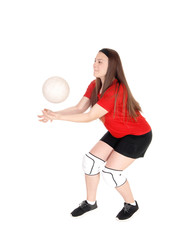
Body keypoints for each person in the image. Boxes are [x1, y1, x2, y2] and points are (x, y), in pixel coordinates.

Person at [38, 48, 152, 220]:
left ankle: (131, 204)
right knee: (90, 162)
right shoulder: (95, 85)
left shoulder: (116, 89)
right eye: (94, 60)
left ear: (112, 65)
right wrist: (55, 114)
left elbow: (89, 116)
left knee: (111, 173)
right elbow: (79, 108)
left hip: (138, 135)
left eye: (100, 61)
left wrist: (59, 117)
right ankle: (91, 203)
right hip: (117, 132)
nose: (95, 64)